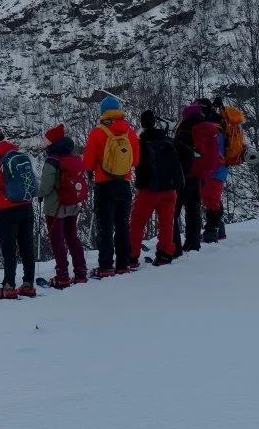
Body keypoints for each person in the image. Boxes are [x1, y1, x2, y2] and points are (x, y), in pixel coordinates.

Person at [83, 96, 139, 277]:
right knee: (122, 225)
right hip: (124, 183)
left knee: (105, 227)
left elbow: (88, 163)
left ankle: (106, 265)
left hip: (104, 185)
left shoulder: (97, 132)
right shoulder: (129, 132)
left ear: (102, 112)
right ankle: (123, 263)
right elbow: (136, 160)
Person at [0, 130, 37, 299]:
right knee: (27, 246)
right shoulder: (17, 155)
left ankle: (9, 285)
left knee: (9, 249)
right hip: (26, 206)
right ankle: (28, 284)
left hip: (7, 210)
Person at [37, 123, 88, 287]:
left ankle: (62, 275)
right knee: (72, 237)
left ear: (52, 143)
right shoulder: (71, 157)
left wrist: (36, 193)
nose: (44, 144)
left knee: (57, 241)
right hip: (72, 205)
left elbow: (45, 188)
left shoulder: (51, 161)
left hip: (55, 208)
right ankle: (80, 271)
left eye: (46, 141)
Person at [130, 110, 183, 266]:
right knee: (167, 223)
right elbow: (187, 153)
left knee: (137, 222)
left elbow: (134, 163)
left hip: (149, 189)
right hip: (170, 189)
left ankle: (131, 256)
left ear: (142, 123)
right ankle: (165, 254)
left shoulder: (140, 142)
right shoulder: (167, 140)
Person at [172, 103, 205, 253]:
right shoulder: (205, 130)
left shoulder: (184, 132)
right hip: (199, 176)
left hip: (184, 177)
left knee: (173, 212)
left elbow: (177, 154)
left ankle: (175, 246)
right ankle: (193, 243)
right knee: (193, 211)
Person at [200, 98, 229, 243]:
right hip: (220, 168)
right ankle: (218, 229)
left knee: (210, 198)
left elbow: (210, 149)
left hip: (214, 167)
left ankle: (212, 231)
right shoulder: (220, 123)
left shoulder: (211, 127)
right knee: (213, 198)